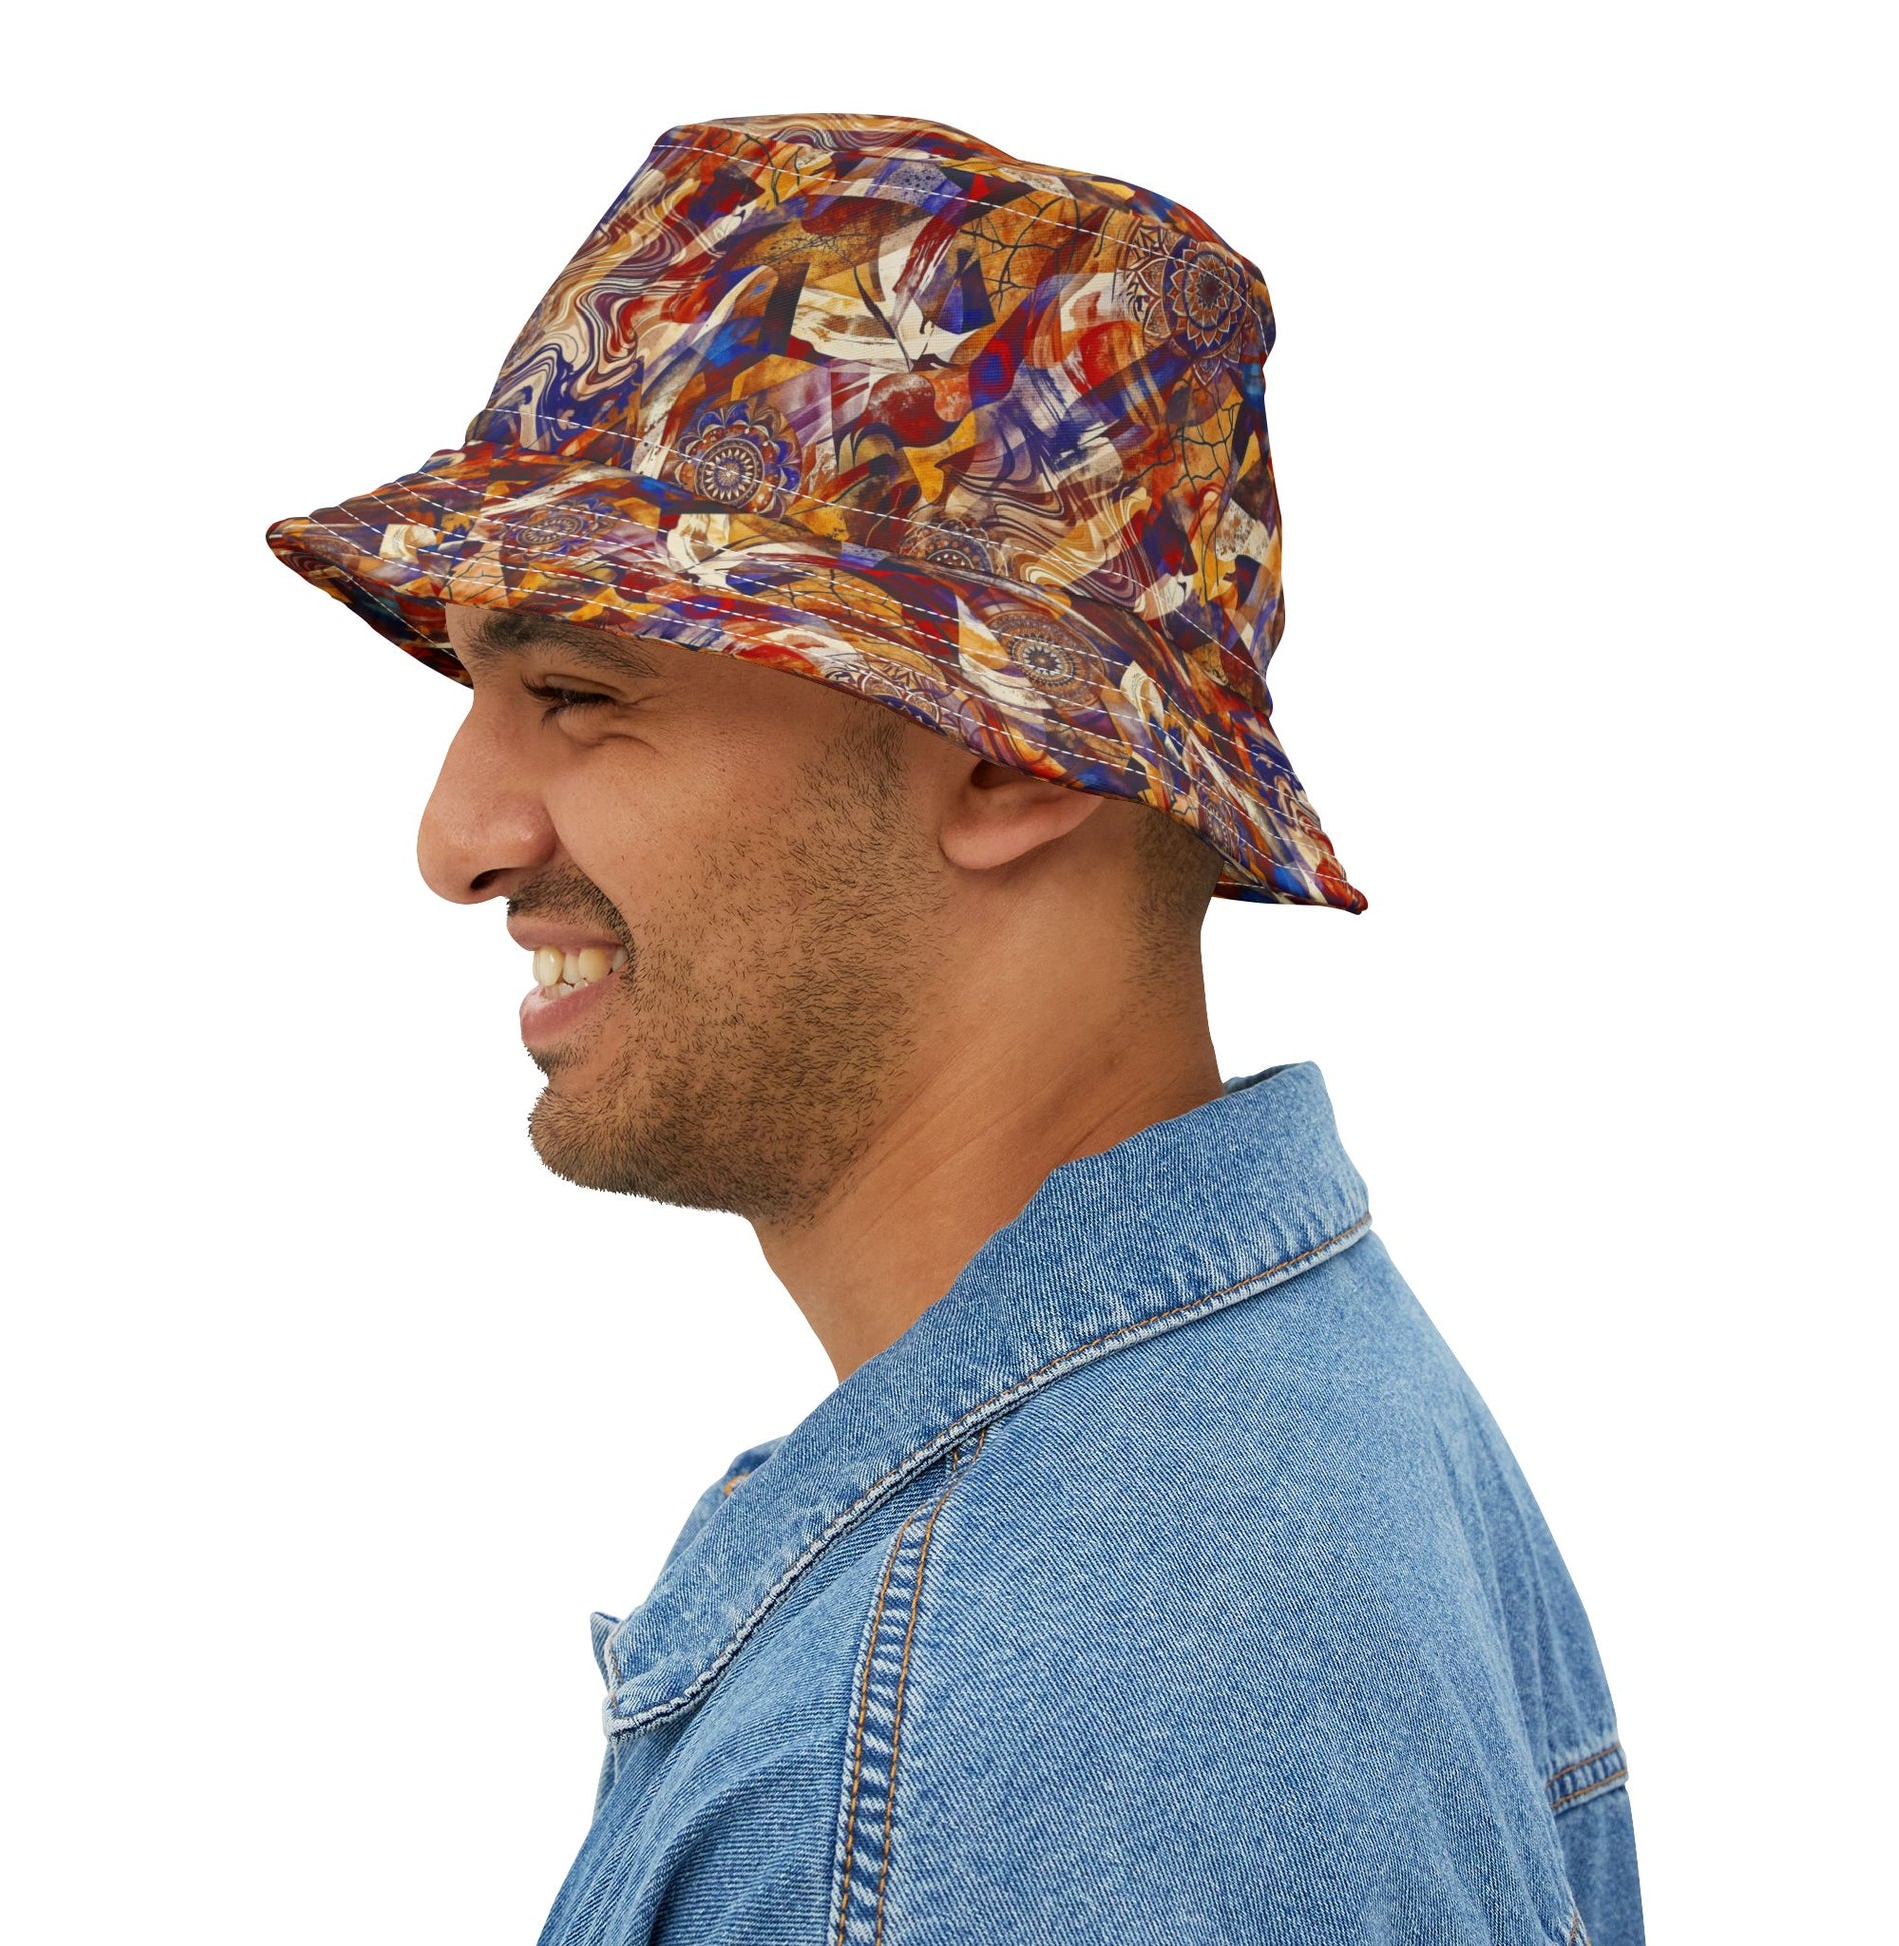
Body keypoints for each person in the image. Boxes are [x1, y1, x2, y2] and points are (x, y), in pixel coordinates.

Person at [268, 113, 1643, 1945]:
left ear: (1010, 755)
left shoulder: (1007, 1740)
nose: (456, 839)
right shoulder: (1289, 1426)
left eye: (580, 693)